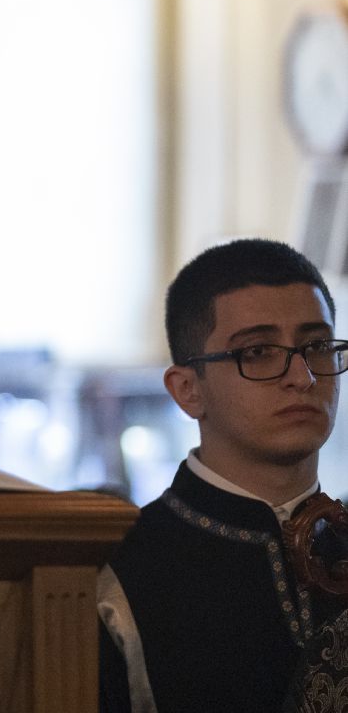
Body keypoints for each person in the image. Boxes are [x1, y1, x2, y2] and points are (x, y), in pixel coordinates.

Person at [98, 238, 347, 712]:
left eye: (316, 346)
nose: (303, 377)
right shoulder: (118, 576)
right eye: (257, 352)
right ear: (188, 390)